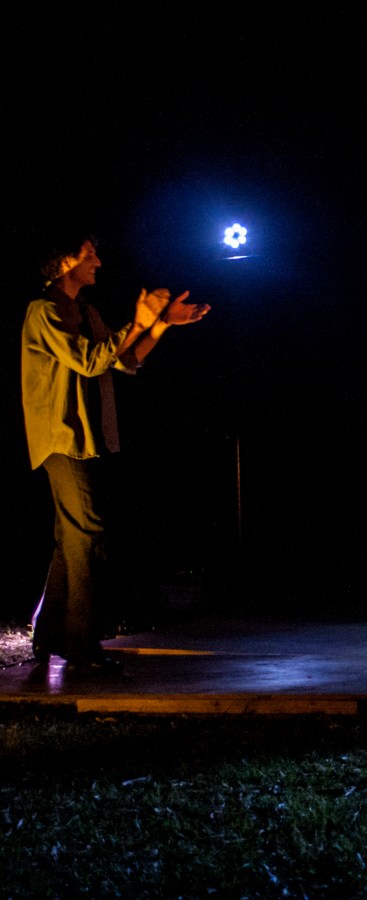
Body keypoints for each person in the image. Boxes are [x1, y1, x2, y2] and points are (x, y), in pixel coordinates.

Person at [21, 232, 210, 672]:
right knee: (87, 534)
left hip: (86, 439)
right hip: (62, 438)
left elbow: (123, 360)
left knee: (74, 537)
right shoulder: (44, 310)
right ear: (64, 259)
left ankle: (51, 636)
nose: (99, 263)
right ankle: (80, 644)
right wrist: (139, 322)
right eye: (89, 254)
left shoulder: (84, 310)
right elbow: (88, 361)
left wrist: (160, 325)